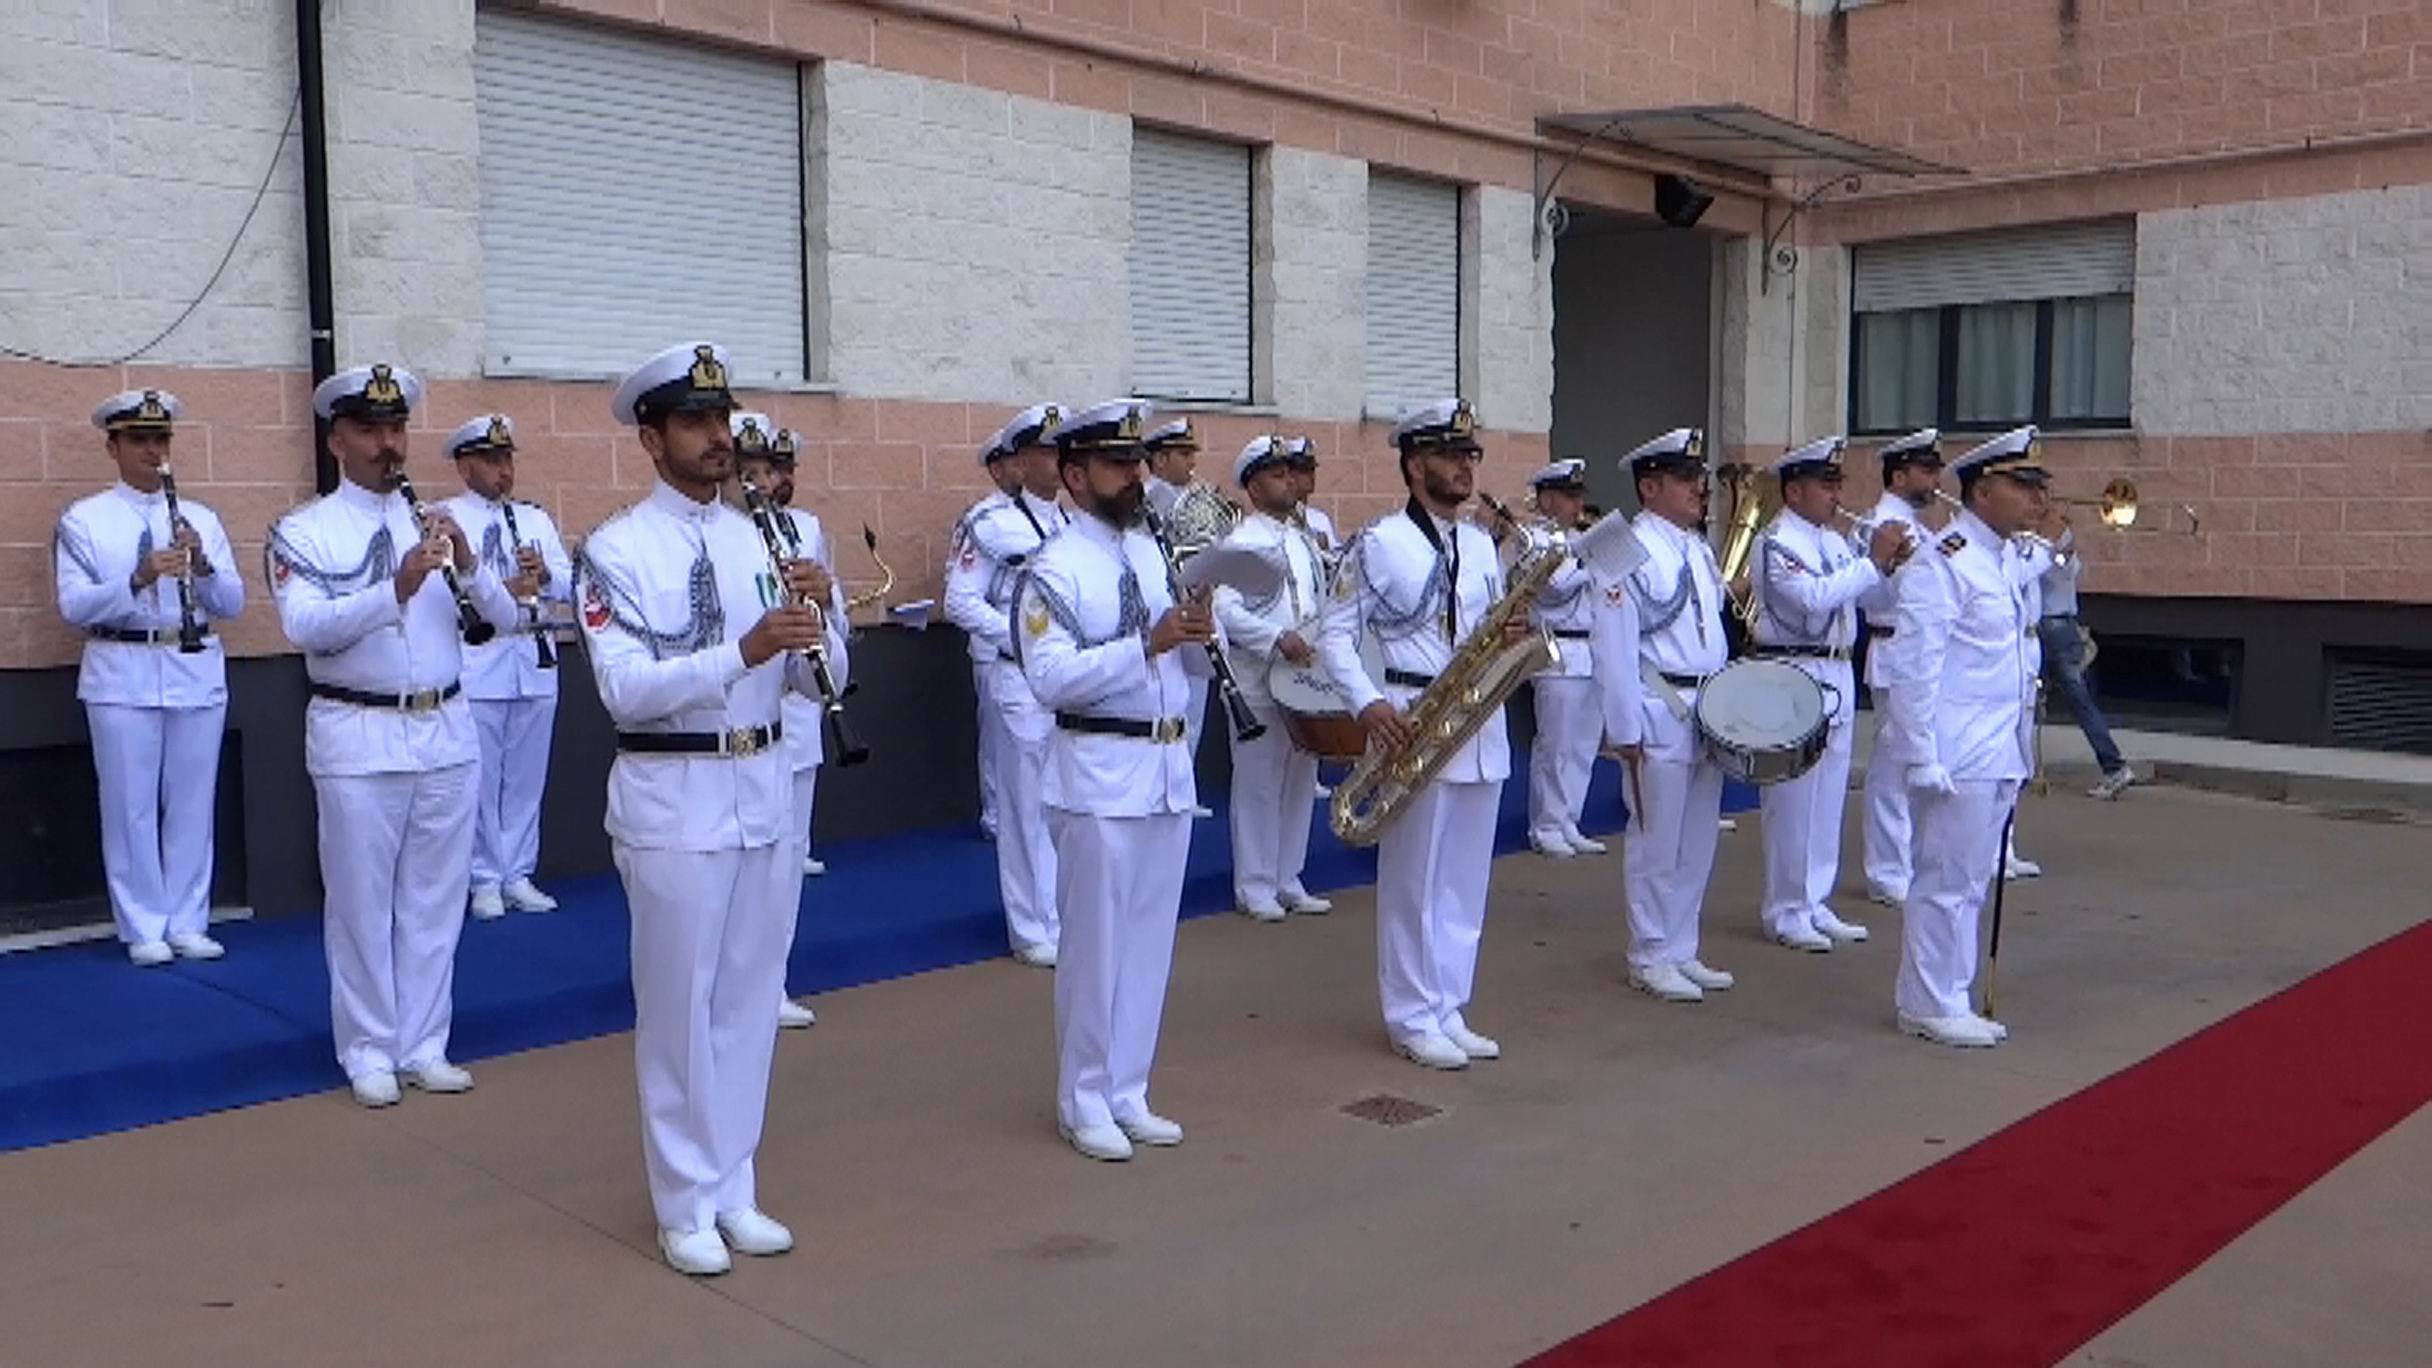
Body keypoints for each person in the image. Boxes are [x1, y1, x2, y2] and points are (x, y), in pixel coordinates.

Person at [577, 341, 839, 1274]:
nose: (718, 437)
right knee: (681, 1010)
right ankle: (683, 1201)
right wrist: (745, 650)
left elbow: (816, 679)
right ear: (651, 440)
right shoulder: (615, 550)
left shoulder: (767, 535)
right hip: (673, 797)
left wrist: (821, 625)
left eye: (722, 418)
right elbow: (625, 690)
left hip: (763, 787)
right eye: (693, 421)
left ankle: (734, 1185)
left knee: (748, 1003)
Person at [268, 363, 518, 1107]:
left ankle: (424, 1042)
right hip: (357, 731)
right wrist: (396, 588)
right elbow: (304, 625)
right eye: (372, 431)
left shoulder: (437, 520)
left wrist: (469, 567)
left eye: (397, 428)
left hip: (444, 728)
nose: (389, 445)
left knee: (436, 900)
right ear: (337, 441)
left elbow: (504, 620)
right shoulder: (302, 531)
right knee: (361, 903)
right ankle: (369, 1047)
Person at [1014, 399, 1210, 1162]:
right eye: (1117, 464)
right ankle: (1084, 1097)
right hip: (1097, 774)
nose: (1135, 476)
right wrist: (1147, 644)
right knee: (1095, 950)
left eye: (1137, 462)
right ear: (1075, 475)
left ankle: (1129, 1089)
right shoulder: (1054, 567)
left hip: (1165, 769)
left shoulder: (1154, 552)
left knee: (1149, 945)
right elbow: (1050, 678)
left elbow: (1184, 667)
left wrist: (1201, 636)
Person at [1316, 397, 1526, 1070]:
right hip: (1410, 718)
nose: (1465, 467)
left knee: (1463, 880)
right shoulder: (1379, 542)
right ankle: (1411, 1015)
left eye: (1470, 455)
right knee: (1415, 880)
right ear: (1414, 465)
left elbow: (1483, 629)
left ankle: (1448, 1005)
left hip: (1479, 722)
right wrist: (1368, 704)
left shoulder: (1481, 545)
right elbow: (1334, 635)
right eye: (1450, 455)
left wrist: (1511, 636)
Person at [53, 389, 245, 966]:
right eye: (139, 439)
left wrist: (202, 564)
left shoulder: (200, 518)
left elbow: (233, 603)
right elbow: (74, 606)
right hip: (121, 671)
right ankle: (142, 925)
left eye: (161, 439)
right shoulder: (84, 520)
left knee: (192, 802)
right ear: (112, 447)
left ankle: (188, 920)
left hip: (193, 667)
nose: (153, 451)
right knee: (129, 805)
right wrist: (137, 578)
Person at [1882, 426, 2047, 1049]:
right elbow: (1915, 666)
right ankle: (1928, 1001)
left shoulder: (2000, 557)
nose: (2037, 499)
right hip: (1957, 752)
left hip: (1996, 748)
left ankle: (1950, 991)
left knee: (1972, 882)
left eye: (2039, 486)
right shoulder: (1945, 559)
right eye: (2023, 485)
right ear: (1982, 492)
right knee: (1945, 882)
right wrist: (1919, 754)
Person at [1747, 436, 1911, 952]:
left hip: (1835, 672)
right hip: (1792, 672)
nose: (1836, 494)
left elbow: (1869, 597)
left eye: (1837, 483)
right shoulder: (1776, 542)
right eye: (1826, 484)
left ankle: (1814, 900)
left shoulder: (1834, 541)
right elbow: (1812, 601)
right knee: (1792, 803)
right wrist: (1872, 562)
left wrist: (1893, 564)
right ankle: (1785, 908)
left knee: (1827, 801)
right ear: (1794, 491)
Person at [732, 412, 852, 1031]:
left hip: (796, 715)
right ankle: (728, 984)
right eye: (751, 470)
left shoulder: (803, 529)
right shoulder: (722, 535)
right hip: (735, 713)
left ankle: (771, 980)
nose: (765, 482)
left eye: (773, 469)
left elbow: (839, 630)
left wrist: (824, 602)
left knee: (785, 863)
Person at [946, 404, 1070, 966]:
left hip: (1065, 679)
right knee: (1023, 809)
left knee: (1059, 802)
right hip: (1017, 675)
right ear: (1019, 461)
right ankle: (1030, 927)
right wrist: (1021, 637)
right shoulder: (990, 522)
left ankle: (1059, 913)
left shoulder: (1069, 523)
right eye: (1047, 451)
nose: (1058, 460)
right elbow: (961, 601)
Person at [1619, 428, 1737, 1004]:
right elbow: (1614, 645)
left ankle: (1680, 946)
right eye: (1686, 478)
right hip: (1657, 705)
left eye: (1699, 478)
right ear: (1650, 487)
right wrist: (1625, 728)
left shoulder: (1697, 547)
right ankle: (1648, 953)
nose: (1699, 488)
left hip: (1706, 705)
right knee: (1656, 841)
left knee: (1697, 838)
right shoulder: (1627, 548)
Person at [441, 415, 571, 922]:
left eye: (507, 460)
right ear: (465, 467)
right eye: (492, 461)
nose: (504, 471)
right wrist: (503, 590)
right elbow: (446, 592)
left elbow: (571, 583)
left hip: (534, 659)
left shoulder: (534, 519)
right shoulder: (448, 517)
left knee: (525, 779)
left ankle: (518, 872)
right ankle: (484, 878)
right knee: (482, 778)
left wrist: (546, 575)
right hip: (482, 661)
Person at [1211, 435, 1333, 921]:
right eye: (1277, 476)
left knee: (1301, 779)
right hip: (1258, 678)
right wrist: (1276, 637)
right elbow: (1225, 610)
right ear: (1254, 487)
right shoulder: (1241, 543)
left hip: (1303, 678)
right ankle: (1255, 885)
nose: (1290, 482)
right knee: (1259, 784)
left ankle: (1288, 877)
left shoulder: (1301, 539)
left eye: (1290, 473)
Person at [1856, 427, 1946, 907]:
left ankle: (1909, 861)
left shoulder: (1921, 527)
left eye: (1936, 470)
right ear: (1898, 476)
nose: (1935, 480)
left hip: (1925, 653)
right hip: (1894, 651)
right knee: (1892, 767)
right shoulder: (1877, 525)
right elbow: (1870, 597)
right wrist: (1889, 565)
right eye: (1926, 470)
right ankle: (1886, 870)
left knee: (1917, 761)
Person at [1517, 458, 1607, 859]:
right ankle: (1546, 824)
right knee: (1555, 744)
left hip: (1589, 649)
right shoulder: (1534, 541)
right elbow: (1553, 587)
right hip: (1555, 649)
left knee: (1583, 743)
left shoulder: (1578, 541)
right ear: (1547, 499)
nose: (1578, 505)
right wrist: (1593, 559)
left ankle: (1569, 818)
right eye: (1569, 497)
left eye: (1579, 496)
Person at [949, 445, 1029, 841]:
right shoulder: (981, 519)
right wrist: (1009, 634)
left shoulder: (1051, 516)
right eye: (1014, 461)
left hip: (1042, 652)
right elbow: (958, 579)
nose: (1022, 468)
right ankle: (995, 815)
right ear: (996, 470)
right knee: (997, 736)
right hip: (993, 647)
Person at [2032, 505, 2138, 801]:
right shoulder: (2065, 553)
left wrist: (2043, 537)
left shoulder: (2050, 554)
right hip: (2064, 626)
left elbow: (2038, 569)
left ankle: (2114, 766)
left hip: (2049, 628)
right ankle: (2114, 766)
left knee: (2032, 698)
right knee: (2077, 701)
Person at [1141, 417, 1217, 819]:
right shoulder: (1151, 500)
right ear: (1159, 460)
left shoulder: (1189, 500)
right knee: (1171, 708)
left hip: (1191, 610)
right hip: (1165, 615)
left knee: (1193, 708)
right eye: (1183, 454)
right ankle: (1166, 792)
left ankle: (1182, 788)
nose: (1192, 462)